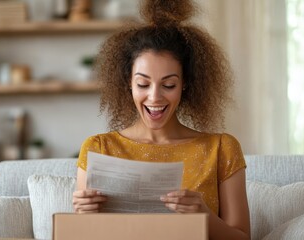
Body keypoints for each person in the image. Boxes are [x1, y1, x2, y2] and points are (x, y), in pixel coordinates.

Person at [72, 0, 251, 239]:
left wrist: (205, 217)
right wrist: (83, 217)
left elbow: (242, 237)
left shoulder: (221, 149)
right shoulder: (99, 148)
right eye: (143, 84)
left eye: (169, 85)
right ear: (128, 83)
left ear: (185, 84)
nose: (154, 96)